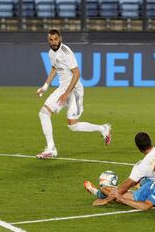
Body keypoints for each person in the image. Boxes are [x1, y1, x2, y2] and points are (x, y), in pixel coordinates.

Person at [36, 29, 111, 159]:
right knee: (43, 113)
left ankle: (103, 128)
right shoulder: (50, 53)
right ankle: (51, 149)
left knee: (73, 126)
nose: (54, 42)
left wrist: (66, 93)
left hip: (74, 91)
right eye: (51, 40)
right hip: (62, 88)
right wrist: (45, 86)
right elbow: (54, 68)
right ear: (48, 40)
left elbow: (76, 73)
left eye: (56, 39)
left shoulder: (66, 52)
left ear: (60, 38)